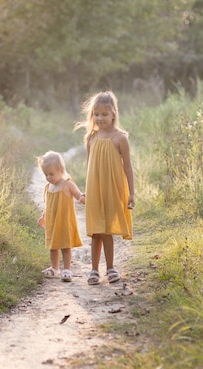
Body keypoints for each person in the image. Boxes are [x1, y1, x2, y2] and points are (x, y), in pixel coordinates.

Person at [74, 91, 135, 285]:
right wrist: (86, 190)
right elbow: (90, 167)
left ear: (113, 114)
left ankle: (110, 268)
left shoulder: (120, 139)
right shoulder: (91, 138)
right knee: (95, 231)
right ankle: (93, 270)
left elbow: (128, 167)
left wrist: (131, 193)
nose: (100, 118)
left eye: (104, 114)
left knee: (107, 230)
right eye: (96, 114)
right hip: (95, 191)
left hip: (112, 190)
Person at [37, 151, 85, 282]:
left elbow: (78, 195)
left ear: (61, 170)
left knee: (65, 246)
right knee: (53, 247)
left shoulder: (67, 184)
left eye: (51, 174)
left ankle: (67, 269)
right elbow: (48, 204)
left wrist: (83, 198)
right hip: (52, 222)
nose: (48, 177)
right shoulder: (49, 187)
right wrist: (43, 216)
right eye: (46, 174)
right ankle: (55, 268)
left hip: (64, 221)